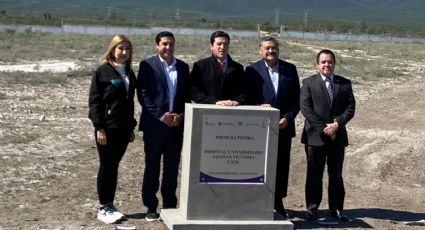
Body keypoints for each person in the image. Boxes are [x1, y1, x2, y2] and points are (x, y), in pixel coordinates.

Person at [136, 31, 190, 221]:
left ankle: (169, 204)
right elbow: (143, 94)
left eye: (171, 44)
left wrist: (181, 116)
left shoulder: (183, 67)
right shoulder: (147, 65)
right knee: (152, 167)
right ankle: (151, 206)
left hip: (176, 127)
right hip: (154, 126)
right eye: (164, 44)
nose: (168, 48)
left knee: (172, 167)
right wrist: (160, 116)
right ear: (157, 45)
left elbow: (186, 96)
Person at [245, 35, 300, 218]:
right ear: (260, 51)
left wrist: (287, 117)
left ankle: (278, 202)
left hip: (283, 127)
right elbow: (248, 98)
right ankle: (256, 201)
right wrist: (258, 108)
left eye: (274, 48)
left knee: (281, 166)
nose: (271, 51)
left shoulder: (290, 69)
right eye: (267, 48)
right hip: (258, 128)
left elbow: (296, 100)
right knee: (257, 165)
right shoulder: (252, 70)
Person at [300, 49, 356, 221]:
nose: (327, 64)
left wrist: (337, 124)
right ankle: (312, 208)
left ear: (334, 64)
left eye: (330, 61)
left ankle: (336, 208)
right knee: (314, 173)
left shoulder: (344, 84)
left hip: (337, 137)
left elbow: (351, 108)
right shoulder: (309, 82)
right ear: (317, 64)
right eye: (323, 62)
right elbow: (306, 108)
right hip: (315, 137)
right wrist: (325, 129)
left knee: (336, 174)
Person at [88, 34, 137, 224]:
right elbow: (95, 102)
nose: (124, 52)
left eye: (127, 49)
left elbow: (129, 103)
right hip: (107, 128)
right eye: (120, 48)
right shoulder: (102, 71)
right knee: (107, 165)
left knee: (114, 166)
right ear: (113, 50)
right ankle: (103, 207)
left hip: (123, 128)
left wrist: (131, 127)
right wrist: (99, 127)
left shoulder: (129, 72)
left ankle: (110, 204)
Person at [190, 30, 246, 106]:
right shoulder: (200, 66)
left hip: (232, 111)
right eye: (219, 44)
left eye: (225, 44)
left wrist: (236, 101)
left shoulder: (238, 68)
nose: (222, 47)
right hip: (207, 111)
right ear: (211, 46)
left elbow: (243, 92)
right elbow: (194, 92)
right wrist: (214, 102)